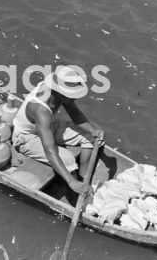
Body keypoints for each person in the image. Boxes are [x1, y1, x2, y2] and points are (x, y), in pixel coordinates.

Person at [12, 66, 105, 196]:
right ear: (59, 92)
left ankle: (84, 177)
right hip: (27, 138)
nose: (75, 98)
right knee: (68, 159)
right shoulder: (41, 110)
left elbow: (73, 112)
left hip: (48, 126)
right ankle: (73, 186)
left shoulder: (57, 93)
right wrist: (71, 181)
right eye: (72, 95)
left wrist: (92, 130)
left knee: (91, 137)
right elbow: (50, 150)